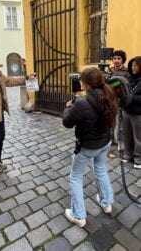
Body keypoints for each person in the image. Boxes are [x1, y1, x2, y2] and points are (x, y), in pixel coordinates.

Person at [62, 67, 118, 227]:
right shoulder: (108, 94)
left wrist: (67, 108)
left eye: (80, 79)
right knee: (100, 169)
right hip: (104, 142)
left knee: (75, 177)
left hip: (88, 146)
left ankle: (78, 215)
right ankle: (107, 202)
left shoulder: (82, 104)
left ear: (87, 83)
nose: (78, 81)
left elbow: (67, 123)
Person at [108, 50, 129, 158]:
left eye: (118, 58)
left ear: (122, 60)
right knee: (112, 121)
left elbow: (124, 85)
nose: (116, 61)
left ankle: (121, 142)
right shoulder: (109, 70)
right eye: (114, 58)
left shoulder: (127, 71)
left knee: (121, 123)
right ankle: (111, 139)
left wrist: (114, 83)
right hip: (110, 100)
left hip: (121, 101)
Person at [121, 56, 141, 169]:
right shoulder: (129, 79)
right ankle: (128, 154)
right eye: (132, 65)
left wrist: (132, 98)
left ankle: (138, 158)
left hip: (138, 113)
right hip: (126, 111)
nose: (134, 67)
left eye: (136, 65)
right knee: (126, 134)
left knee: (138, 137)